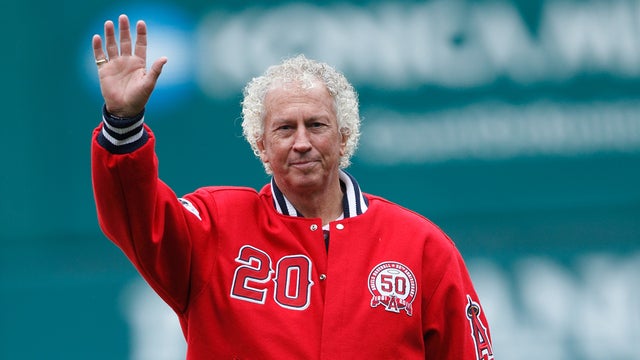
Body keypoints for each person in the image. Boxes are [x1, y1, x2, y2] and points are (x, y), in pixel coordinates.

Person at [91, 14, 494, 360]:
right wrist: (123, 123)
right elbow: (139, 220)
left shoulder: (420, 246)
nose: (301, 142)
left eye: (316, 125)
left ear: (344, 137)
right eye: (285, 129)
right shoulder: (214, 226)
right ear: (261, 147)